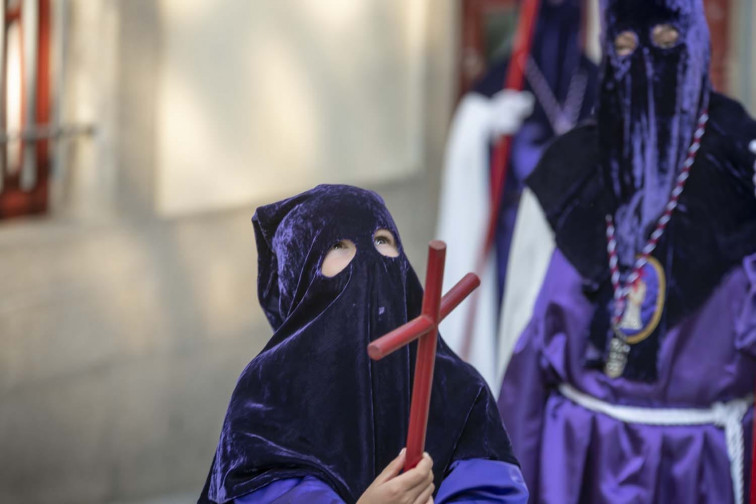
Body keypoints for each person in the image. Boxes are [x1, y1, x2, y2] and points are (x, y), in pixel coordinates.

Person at [498, 0, 756, 502]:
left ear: (697, 42)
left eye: (665, 41)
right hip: (576, 462)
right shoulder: (565, 175)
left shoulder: (745, 169)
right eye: (623, 46)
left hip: (699, 470)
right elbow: (521, 353)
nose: (644, 63)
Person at [199, 185, 529, 503]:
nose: (369, 255)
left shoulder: (457, 384)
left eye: (382, 239)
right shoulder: (267, 393)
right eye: (337, 245)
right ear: (300, 272)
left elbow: (491, 485)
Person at [436, 0, 598, 389]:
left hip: (583, 247)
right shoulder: (500, 84)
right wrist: (484, 128)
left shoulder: (596, 83)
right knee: (515, 339)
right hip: (515, 247)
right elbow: (465, 146)